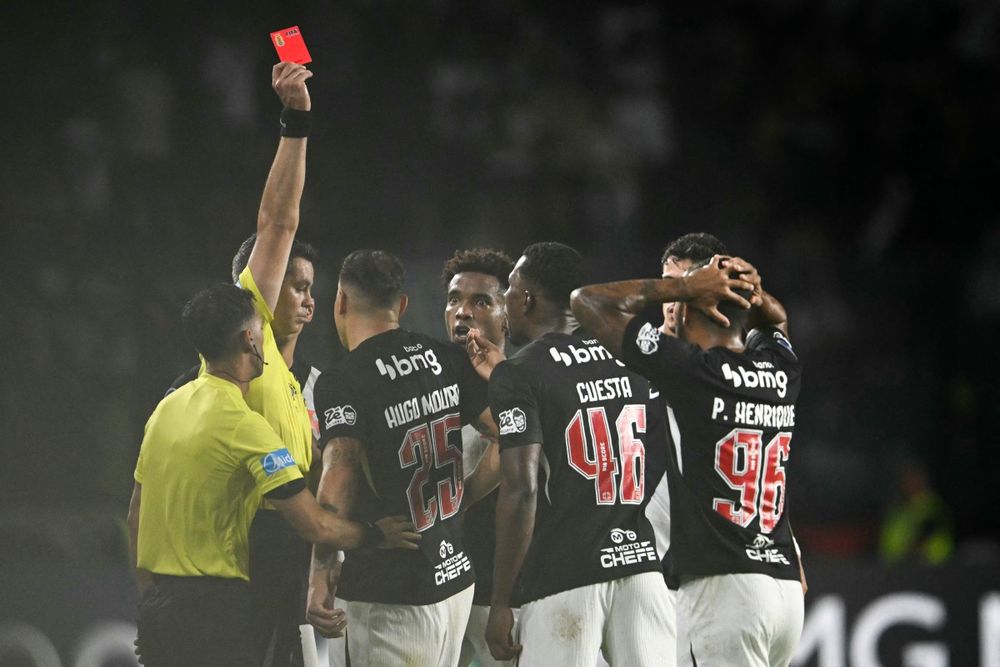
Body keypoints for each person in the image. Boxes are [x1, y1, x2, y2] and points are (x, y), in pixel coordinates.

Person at [126, 283, 419, 667]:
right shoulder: (246, 427)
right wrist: (377, 534)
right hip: (215, 615)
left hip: (159, 609)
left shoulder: (166, 408)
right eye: (261, 329)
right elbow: (314, 526)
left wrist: (151, 600)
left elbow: (135, 515)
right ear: (250, 340)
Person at [571, 256, 806, 667]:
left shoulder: (692, 371)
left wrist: (683, 287)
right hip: (784, 590)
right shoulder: (781, 368)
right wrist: (753, 290)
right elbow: (778, 322)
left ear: (692, 306)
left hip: (725, 590)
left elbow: (586, 301)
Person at [471, 242, 672, 666]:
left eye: (510, 288)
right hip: (641, 568)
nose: (506, 298)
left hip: (566, 574)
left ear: (526, 299)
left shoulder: (521, 372)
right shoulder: (629, 359)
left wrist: (503, 599)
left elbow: (521, 489)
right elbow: (657, 457)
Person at [307, 250, 499, 667]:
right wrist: (463, 496)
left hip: (389, 591)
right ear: (403, 304)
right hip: (454, 580)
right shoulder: (446, 358)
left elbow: (339, 471)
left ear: (340, 301)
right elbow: (509, 437)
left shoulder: (344, 379)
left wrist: (321, 575)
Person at [164, 235, 323, 667]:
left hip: (297, 567)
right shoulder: (193, 390)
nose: (310, 301)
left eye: (312, 289)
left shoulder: (322, 389)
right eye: (296, 286)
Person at [440, 248, 518, 667]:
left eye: (480, 302)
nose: (462, 312)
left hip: (502, 589)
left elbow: (516, 442)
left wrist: (463, 499)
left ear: (509, 313)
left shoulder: (529, 381)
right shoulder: (425, 377)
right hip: (437, 582)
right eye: (454, 299)